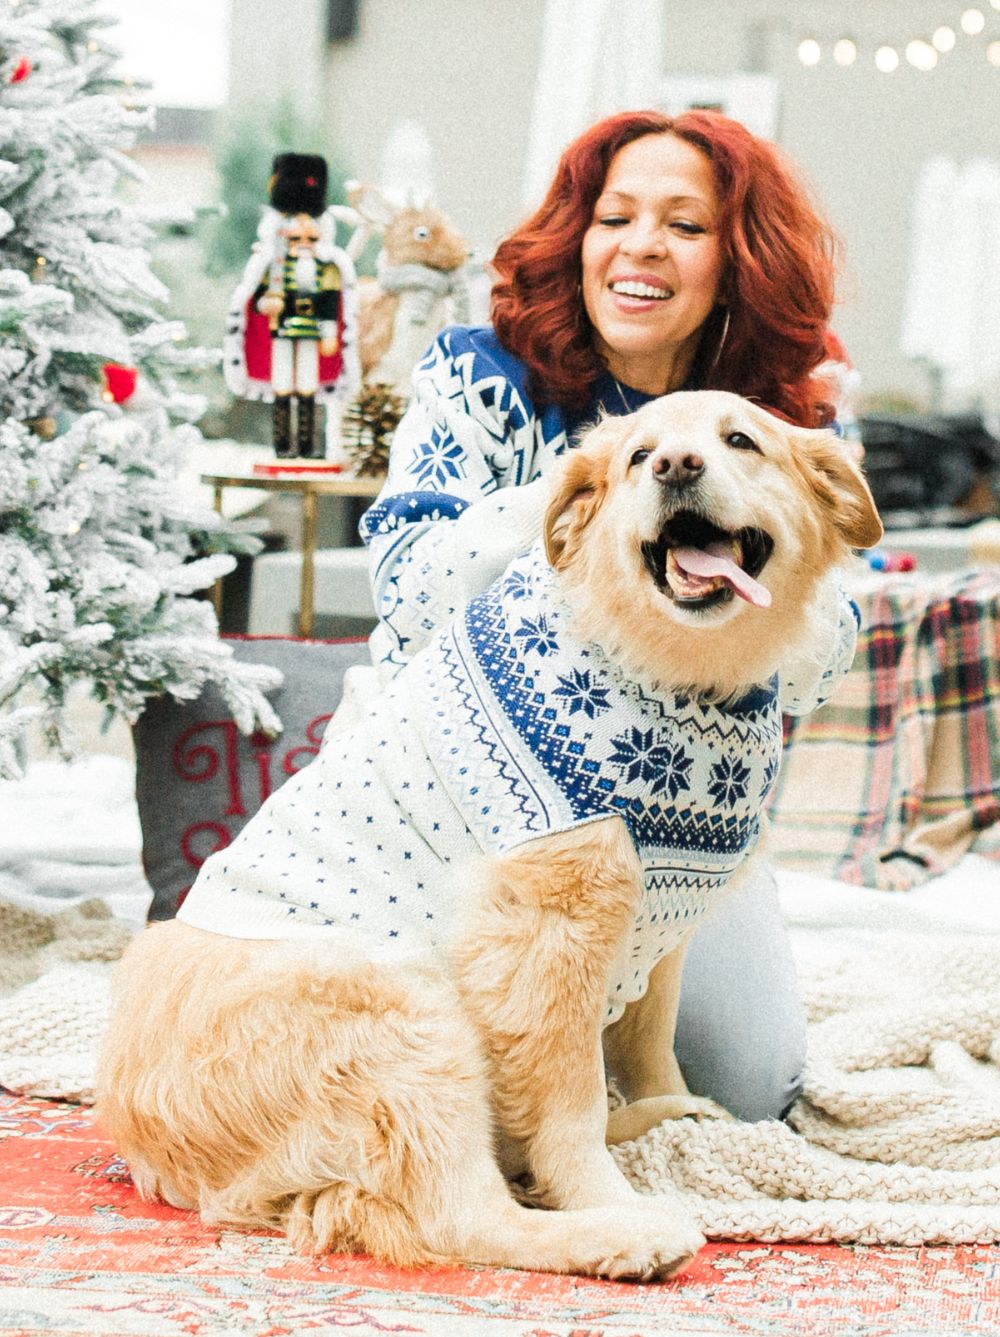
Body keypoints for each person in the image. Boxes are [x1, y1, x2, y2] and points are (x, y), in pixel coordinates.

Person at [358, 108, 859, 1123]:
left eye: (683, 225)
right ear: (576, 237)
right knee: (439, 1077)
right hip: (461, 790)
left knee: (750, 1081)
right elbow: (407, 592)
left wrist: (726, 582)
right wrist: (591, 490)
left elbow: (828, 635)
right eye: (613, 216)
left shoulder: (786, 408)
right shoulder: (479, 370)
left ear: (738, 258)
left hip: (685, 797)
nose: (638, 245)